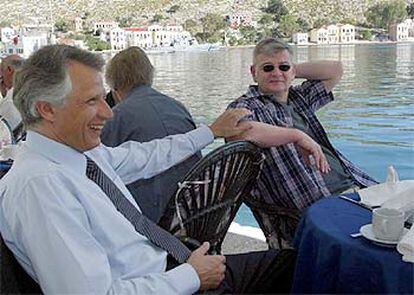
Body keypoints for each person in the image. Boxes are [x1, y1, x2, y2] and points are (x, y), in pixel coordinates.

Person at [0, 44, 303, 294]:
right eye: (92, 101)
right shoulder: (39, 188)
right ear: (46, 109)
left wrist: (210, 131)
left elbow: (147, 155)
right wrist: (192, 277)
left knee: (295, 263)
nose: (107, 112)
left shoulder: (80, 157)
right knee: (294, 270)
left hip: (168, 265)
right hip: (168, 282)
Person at [227, 38, 378, 248]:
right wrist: (296, 135)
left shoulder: (299, 98)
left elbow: (335, 69)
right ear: (254, 72)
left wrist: (290, 70)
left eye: (283, 67)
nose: (276, 73)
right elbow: (238, 129)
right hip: (320, 205)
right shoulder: (248, 105)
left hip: (357, 187)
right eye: (267, 68)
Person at [101, 47, 201, 222]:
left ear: (114, 84)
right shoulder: (177, 106)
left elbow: (100, 167)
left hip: (152, 218)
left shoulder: (116, 116)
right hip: (197, 208)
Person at [0, 54, 24, 137]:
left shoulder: (11, 101)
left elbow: (4, 133)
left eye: (1, 70)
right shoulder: (28, 90)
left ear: (9, 69)